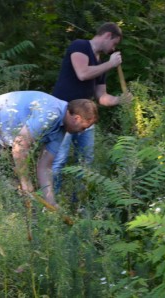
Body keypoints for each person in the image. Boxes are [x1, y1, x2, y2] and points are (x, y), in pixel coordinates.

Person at [0, 91, 98, 208]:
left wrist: (50, 201)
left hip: (2, 137)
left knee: (0, 187)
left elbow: (45, 166)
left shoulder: (61, 129)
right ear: (76, 118)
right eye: (84, 128)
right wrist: (25, 182)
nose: (82, 132)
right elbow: (19, 146)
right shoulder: (51, 112)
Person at [52, 22, 132, 195]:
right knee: (59, 159)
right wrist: (110, 64)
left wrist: (120, 100)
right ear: (108, 36)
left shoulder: (101, 64)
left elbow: (102, 97)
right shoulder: (80, 45)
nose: (113, 49)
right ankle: (50, 203)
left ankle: (78, 201)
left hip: (85, 117)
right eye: (114, 43)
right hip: (64, 113)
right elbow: (82, 73)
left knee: (86, 160)